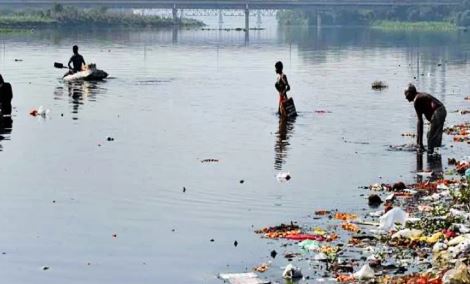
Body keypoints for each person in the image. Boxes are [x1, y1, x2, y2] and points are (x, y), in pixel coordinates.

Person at [404, 83, 446, 155]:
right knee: (433, 137)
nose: (405, 97)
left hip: (438, 112)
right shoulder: (419, 97)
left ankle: (431, 157)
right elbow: (420, 121)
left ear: (410, 93)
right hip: (442, 110)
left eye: (406, 94)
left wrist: (420, 144)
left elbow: (420, 122)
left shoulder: (417, 99)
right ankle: (435, 160)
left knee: (430, 136)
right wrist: (418, 142)